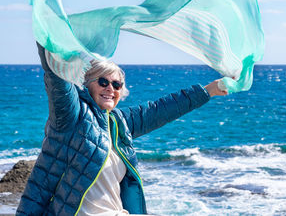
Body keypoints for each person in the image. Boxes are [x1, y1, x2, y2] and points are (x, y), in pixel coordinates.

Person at [16, 44, 227, 215]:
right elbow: (57, 79)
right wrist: (48, 40)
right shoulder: (72, 116)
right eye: (102, 82)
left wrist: (210, 90)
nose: (110, 88)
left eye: (116, 85)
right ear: (87, 85)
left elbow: (162, 110)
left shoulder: (119, 123)